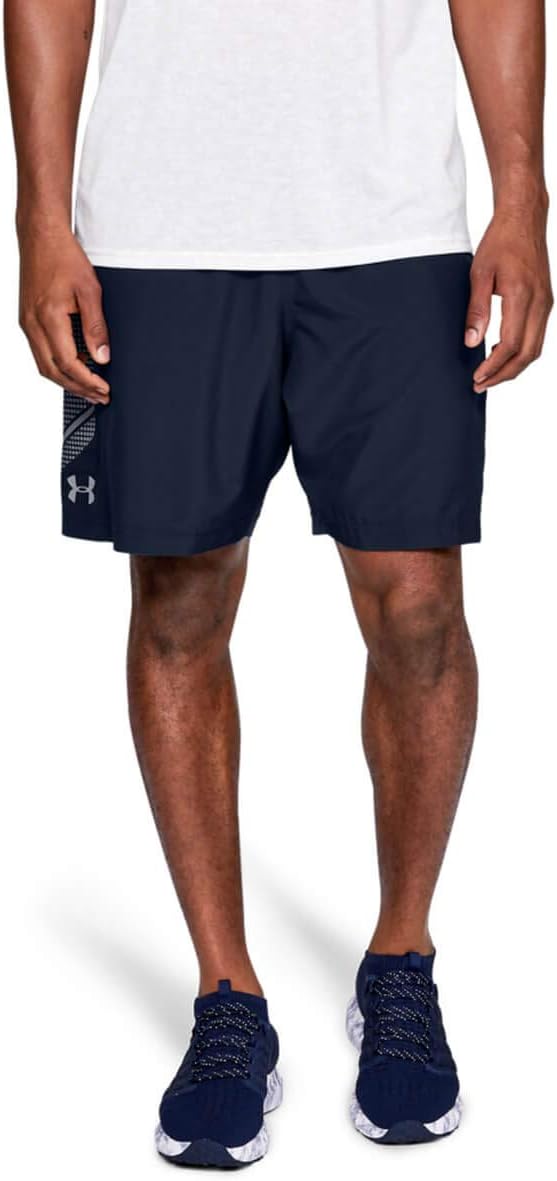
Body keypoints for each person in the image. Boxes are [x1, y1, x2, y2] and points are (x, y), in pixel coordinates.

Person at [6, 0, 552, 1165]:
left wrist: (520, 194)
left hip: (394, 222)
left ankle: (399, 958)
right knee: (178, 600)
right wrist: (41, 217)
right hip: (156, 229)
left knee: (417, 602)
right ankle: (226, 995)